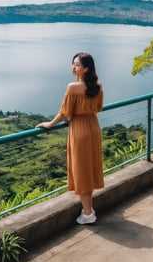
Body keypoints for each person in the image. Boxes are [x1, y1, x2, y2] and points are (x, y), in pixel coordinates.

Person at [36, 52, 104, 224]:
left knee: (81, 172)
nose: (73, 67)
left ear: (86, 68)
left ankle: (88, 214)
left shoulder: (72, 88)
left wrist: (50, 124)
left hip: (79, 130)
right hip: (93, 127)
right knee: (89, 169)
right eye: (73, 64)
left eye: (77, 65)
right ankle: (88, 210)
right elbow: (98, 108)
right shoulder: (98, 85)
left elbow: (65, 113)